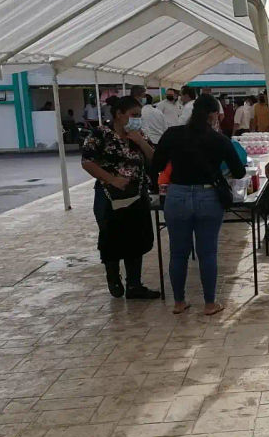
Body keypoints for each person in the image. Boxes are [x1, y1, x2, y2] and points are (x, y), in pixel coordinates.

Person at [152, 94, 246, 315]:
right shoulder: (219, 140)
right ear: (213, 114)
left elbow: (156, 164)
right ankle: (210, 304)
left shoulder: (172, 135)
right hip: (208, 197)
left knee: (178, 253)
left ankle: (178, 302)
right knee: (207, 253)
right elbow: (240, 171)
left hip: (176, 196)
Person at [80, 95, 160, 300]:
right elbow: (87, 161)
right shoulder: (100, 134)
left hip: (137, 196)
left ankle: (134, 285)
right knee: (112, 240)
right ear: (118, 114)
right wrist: (111, 179)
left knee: (137, 241)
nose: (137, 120)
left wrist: (141, 141)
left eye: (139, 116)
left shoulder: (137, 134)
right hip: (109, 197)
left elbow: (155, 159)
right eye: (134, 115)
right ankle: (113, 276)